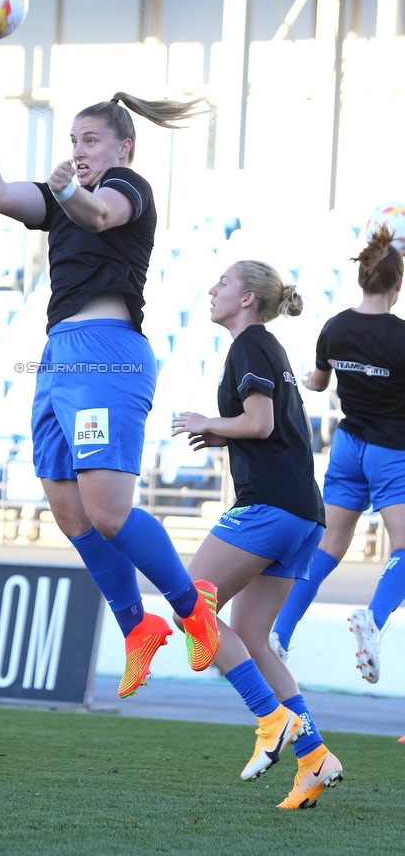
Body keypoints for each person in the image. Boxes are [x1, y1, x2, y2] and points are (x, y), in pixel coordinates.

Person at [0, 90, 219, 697]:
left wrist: (68, 189)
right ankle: (136, 626)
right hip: (58, 357)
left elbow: (97, 216)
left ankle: (193, 606)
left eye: (90, 141)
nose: (80, 151)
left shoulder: (127, 186)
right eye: (73, 141)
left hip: (107, 355)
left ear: (123, 146)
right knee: (70, 512)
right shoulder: (63, 193)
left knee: (108, 512)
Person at [172, 261, 343, 810]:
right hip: (303, 514)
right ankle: (315, 758)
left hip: (269, 507)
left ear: (247, 299)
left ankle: (269, 721)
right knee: (249, 631)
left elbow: (261, 422)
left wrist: (209, 422)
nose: (211, 288)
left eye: (220, 283)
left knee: (188, 600)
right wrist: (223, 437)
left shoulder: (249, 346)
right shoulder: (266, 346)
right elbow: (271, 429)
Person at [272, 226, 405, 685]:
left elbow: (319, 381)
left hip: (348, 447)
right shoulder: (402, 337)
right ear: (398, 284)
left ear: (362, 279)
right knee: (404, 549)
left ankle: (280, 632)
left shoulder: (335, 328)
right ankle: (375, 618)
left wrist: (312, 380)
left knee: (328, 546)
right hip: (391, 450)